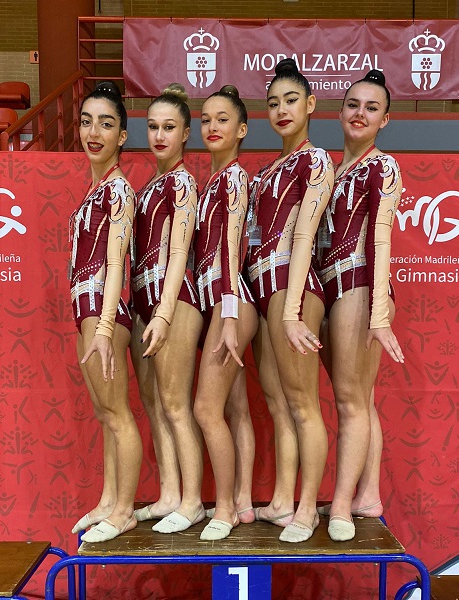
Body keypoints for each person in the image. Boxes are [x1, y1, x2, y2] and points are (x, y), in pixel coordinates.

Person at [315, 69, 404, 542]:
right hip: (333, 285)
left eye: (371, 108)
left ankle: (344, 505)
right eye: (353, 104)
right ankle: (368, 492)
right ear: (340, 110)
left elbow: (382, 238)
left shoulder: (382, 167)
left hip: (361, 284)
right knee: (360, 399)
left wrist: (379, 310)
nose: (360, 113)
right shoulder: (333, 167)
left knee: (351, 402)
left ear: (384, 120)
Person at [246, 59, 333, 543]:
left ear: (311, 105)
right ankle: (281, 499)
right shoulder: (263, 172)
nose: (281, 110)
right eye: (274, 103)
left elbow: (303, 237)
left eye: (291, 100)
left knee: (303, 405)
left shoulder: (315, 161)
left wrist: (294, 308)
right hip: (263, 290)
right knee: (278, 404)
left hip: (293, 288)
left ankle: (307, 508)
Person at [129, 84, 205, 534]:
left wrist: (162, 311)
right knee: (154, 403)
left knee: (176, 404)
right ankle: (171, 493)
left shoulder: (182, 182)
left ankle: (193, 501)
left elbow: (179, 253)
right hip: (146, 297)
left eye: (169, 128)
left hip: (174, 299)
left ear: (186, 134)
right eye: (153, 127)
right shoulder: (150, 184)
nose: (159, 135)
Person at [69, 81, 142, 543]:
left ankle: (125, 510)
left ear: (122, 136)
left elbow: (116, 262)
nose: (94, 132)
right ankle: (108, 499)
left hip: (103, 311)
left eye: (107, 124)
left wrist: (105, 325)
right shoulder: (95, 190)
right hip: (86, 310)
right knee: (103, 413)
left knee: (118, 414)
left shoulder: (119, 191)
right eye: (87, 121)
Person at [192, 85, 258, 541]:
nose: (212, 127)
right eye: (206, 119)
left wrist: (229, 317)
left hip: (230, 302)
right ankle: (244, 503)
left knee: (204, 408)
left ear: (242, 130)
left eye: (222, 120)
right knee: (236, 408)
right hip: (221, 303)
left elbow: (233, 251)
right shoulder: (211, 181)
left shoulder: (234, 178)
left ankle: (225, 509)